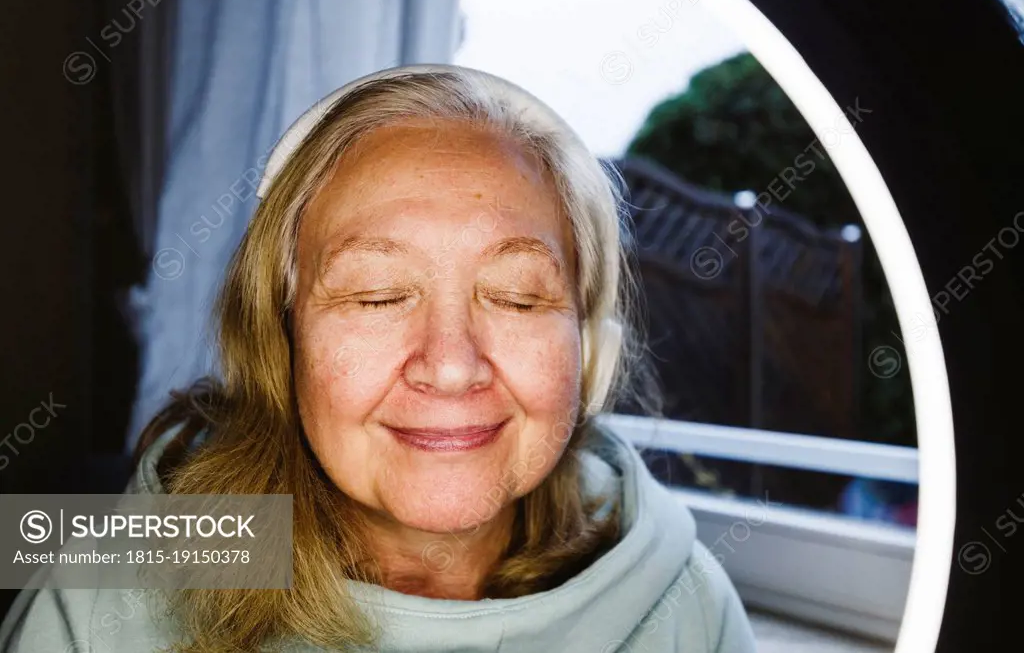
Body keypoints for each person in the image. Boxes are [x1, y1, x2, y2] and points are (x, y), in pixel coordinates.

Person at [0, 64, 757, 652]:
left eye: (520, 297)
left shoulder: (690, 609)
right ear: (283, 341)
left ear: (588, 356)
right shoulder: (112, 589)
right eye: (376, 294)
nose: (453, 365)